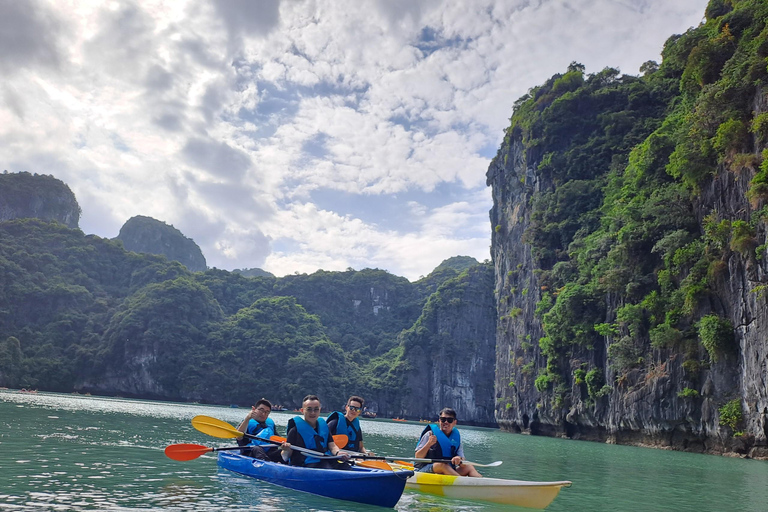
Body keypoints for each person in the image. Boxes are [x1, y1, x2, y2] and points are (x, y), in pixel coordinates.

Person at [279, 394, 350, 469]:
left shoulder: (324, 427)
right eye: (309, 409)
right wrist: (286, 450)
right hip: (304, 465)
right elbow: (285, 458)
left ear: (319, 410)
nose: (313, 413)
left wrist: (337, 453)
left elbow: (332, 446)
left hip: (324, 460)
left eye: (316, 409)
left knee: (346, 467)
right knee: (327, 467)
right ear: (302, 411)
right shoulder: (294, 431)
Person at [414, 407, 481, 477]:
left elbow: (462, 460)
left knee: (468, 466)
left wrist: (459, 458)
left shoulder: (456, 438)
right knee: (442, 465)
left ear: (455, 422)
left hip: (447, 471)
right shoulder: (430, 435)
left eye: (450, 420)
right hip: (423, 470)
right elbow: (418, 457)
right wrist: (429, 444)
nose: (446, 422)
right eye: (443, 419)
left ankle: (482, 484)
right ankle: (462, 484)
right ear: (439, 421)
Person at [236, 398, 283, 462]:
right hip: (250, 454)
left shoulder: (270, 424)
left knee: (285, 451)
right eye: (261, 410)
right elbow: (239, 437)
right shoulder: (246, 423)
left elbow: (277, 439)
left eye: (267, 412)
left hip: (269, 453)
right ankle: (267, 466)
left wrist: (286, 446)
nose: (263, 414)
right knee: (257, 449)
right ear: (254, 409)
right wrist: (247, 418)